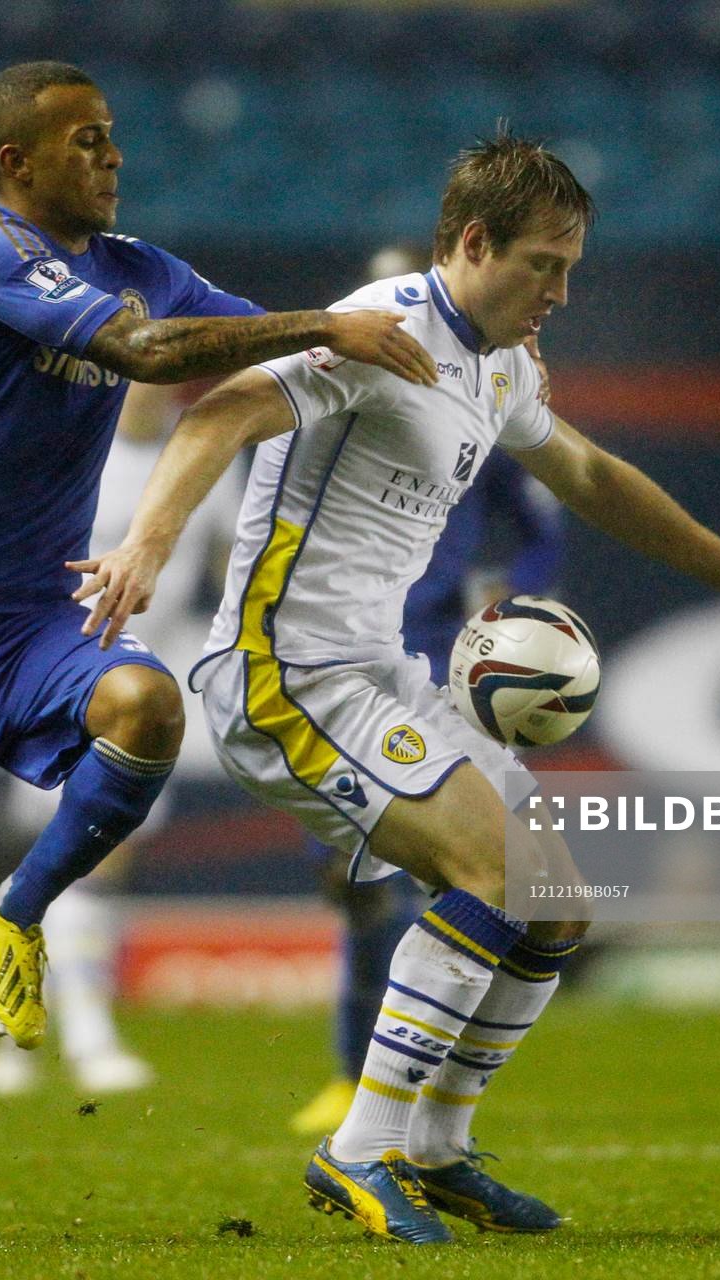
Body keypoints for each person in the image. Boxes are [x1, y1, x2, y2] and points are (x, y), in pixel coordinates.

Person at [72, 132, 720, 1244]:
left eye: (571, 268)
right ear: (474, 242)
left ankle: (432, 1149)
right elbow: (216, 412)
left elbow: (588, 473)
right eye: (544, 264)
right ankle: (361, 1147)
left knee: (556, 902)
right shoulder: (379, 326)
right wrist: (146, 546)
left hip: (383, 671)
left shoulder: (501, 364)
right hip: (284, 676)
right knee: (488, 874)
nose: (561, 293)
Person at [0, 60, 438, 1242]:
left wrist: (377, 353)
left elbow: (235, 346)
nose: (113, 157)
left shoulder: (136, 261)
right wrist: (329, 321)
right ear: (17, 163)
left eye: (113, 139)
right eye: (87, 141)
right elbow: (161, 352)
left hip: (34, 619)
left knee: (146, 706)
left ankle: (14, 909)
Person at [291, 246, 565, 1137]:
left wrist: (512, 594)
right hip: (344, 654)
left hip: (445, 654)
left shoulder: (481, 400)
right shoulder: (343, 383)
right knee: (366, 881)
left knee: (501, 878)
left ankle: (421, 1115)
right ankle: (355, 1084)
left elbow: (542, 526)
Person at [0, 381, 242, 1099]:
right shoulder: (68, 450)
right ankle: (76, 1037)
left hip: (144, 687)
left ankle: (24, 1036)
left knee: (95, 863)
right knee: (73, 861)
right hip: (57, 678)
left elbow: (230, 567)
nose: (153, 385)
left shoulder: (202, 452)